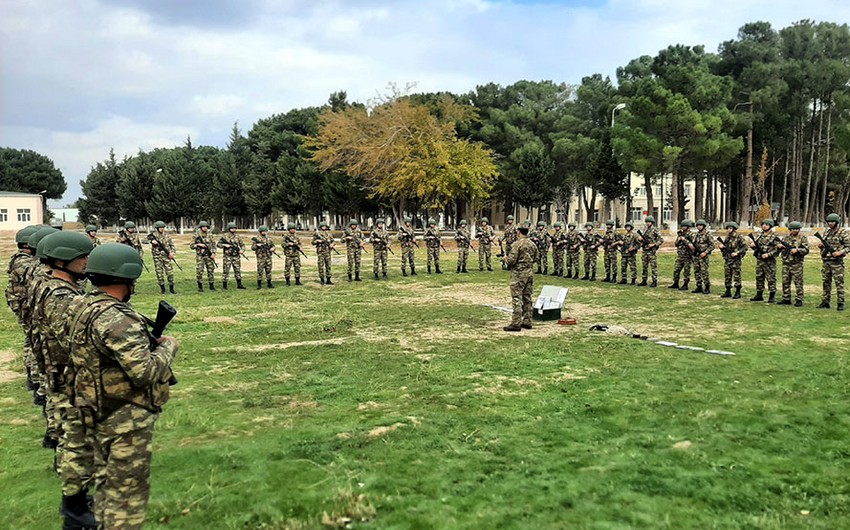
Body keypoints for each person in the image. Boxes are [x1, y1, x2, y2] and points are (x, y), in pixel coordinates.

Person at [65, 243, 179, 530]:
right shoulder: (118, 318)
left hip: (94, 407)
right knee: (126, 497)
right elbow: (144, 371)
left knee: (106, 483)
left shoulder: (81, 306)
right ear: (127, 278)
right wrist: (169, 348)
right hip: (124, 417)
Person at [32, 231, 96, 529]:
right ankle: (75, 509)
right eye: (82, 257)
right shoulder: (60, 295)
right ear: (62, 260)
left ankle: (77, 500)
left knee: (71, 437)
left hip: (59, 371)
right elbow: (72, 339)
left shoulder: (52, 284)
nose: (87, 262)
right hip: (68, 375)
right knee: (76, 442)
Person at [6, 225, 41, 394]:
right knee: (34, 342)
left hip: (23, 305)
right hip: (26, 307)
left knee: (31, 340)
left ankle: (32, 376)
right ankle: (34, 379)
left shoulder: (20, 259)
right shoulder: (24, 262)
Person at [503, 225, 539, 332]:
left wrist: (505, 259)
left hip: (518, 274)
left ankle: (516, 323)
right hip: (529, 273)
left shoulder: (517, 244)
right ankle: (527, 321)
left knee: (516, 298)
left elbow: (511, 260)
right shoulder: (532, 244)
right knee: (527, 297)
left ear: (519, 233)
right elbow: (536, 257)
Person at [816, 213, 850, 311]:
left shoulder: (843, 232)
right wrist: (821, 245)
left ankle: (840, 302)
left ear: (837, 222)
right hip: (826, 261)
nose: (830, 223)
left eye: (832, 222)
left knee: (839, 283)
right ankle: (825, 302)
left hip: (837, 263)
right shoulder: (827, 232)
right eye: (829, 222)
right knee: (826, 282)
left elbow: (848, 246)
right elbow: (824, 242)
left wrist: (840, 252)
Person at [777, 221, 809, 306]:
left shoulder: (802, 238)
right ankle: (786, 298)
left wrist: (797, 250)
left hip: (796, 264)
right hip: (786, 263)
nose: (795, 230)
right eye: (793, 229)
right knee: (785, 281)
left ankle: (799, 299)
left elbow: (806, 250)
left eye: (797, 229)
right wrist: (779, 247)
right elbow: (780, 249)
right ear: (789, 230)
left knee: (798, 282)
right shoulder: (785, 238)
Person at [748, 218, 779, 302]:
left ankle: (772, 296)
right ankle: (759, 294)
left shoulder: (774, 236)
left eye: (766, 225)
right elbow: (756, 246)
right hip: (760, 260)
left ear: (770, 226)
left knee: (771, 278)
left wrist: (768, 254)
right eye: (763, 224)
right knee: (759, 277)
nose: (764, 226)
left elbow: (777, 249)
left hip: (769, 261)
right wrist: (752, 245)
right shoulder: (759, 235)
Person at [717, 222, 748, 299]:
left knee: (737, 276)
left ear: (734, 229)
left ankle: (738, 292)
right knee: (727, 275)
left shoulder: (739, 237)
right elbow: (725, 249)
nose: (728, 230)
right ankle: (728, 291)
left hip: (736, 260)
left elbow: (745, 247)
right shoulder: (727, 238)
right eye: (727, 228)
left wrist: (737, 253)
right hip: (728, 259)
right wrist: (722, 248)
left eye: (730, 228)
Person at [146, 221, 176, 294]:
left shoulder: (167, 235)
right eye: (160, 228)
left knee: (170, 273)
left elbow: (172, 245)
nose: (162, 229)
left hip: (166, 256)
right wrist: (152, 241)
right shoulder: (153, 235)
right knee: (159, 273)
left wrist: (172, 253)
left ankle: (171, 288)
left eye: (163, 227)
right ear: (157, 228)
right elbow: (144, 240)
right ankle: (163, 289)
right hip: (157, 257)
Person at [189, 221, 216, 292]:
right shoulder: (196, 235)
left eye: (206, 227)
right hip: (200, 256)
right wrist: (198, 245)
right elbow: (191, 245)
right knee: (200, 271)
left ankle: (211, 286)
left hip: (209, 256)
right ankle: (200, 286)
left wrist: (213, 253)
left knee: (211, 270)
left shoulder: (210, 235)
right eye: (203, 227)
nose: (205, 228)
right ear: (200, 227)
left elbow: (214, 245)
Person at [219, 222, 246, 289]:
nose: (233, 229)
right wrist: (224, 245)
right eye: (232, 228)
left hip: (236, 256)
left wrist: (242, 250)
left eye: (234, 228)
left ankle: (239, 285)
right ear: (229, 228)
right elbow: (218, 244)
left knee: (237, 270)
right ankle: (224, 286)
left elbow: (242, 245)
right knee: (226, 271)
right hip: (227, 256)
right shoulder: (224, 236)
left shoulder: (237, 236)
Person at [637, 215, 663, 287]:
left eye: (649, 222)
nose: (648, 223)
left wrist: (653, 244)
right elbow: (641, 242)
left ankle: (654, 281)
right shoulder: (645, 230)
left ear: (652, 222)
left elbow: (661, 240)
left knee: (653, 266)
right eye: (647, 222)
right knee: (644, 266)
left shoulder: (655, 230)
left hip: (652, 251)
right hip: (645, 250)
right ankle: (644, 280)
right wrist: (640, 240)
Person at [689, 219, 713, 294]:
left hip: (703, 256)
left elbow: (712, 245)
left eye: (700, 225)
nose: (699, 227)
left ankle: (707, 287)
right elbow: (693, 242)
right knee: (697, 271)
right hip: (696, 256)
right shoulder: (696, 234)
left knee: (704, 272)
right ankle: (699, 286)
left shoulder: (707, 234)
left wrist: (705, 252)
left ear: (703, 226)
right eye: (698, 225)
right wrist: (692, 246)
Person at [669, 219, 694, 290]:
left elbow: (693, 245)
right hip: (680, 255)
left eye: (684, 226)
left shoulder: (691, 235)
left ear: (688, 227)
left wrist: (684, 239)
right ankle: (675, 283)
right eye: (682, 226)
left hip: (687, 256)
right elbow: (676, 244)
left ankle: (685, 284)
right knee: (676, 270)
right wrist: (679, 239)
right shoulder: (680, 234)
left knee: (686, 271)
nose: (683, 227)